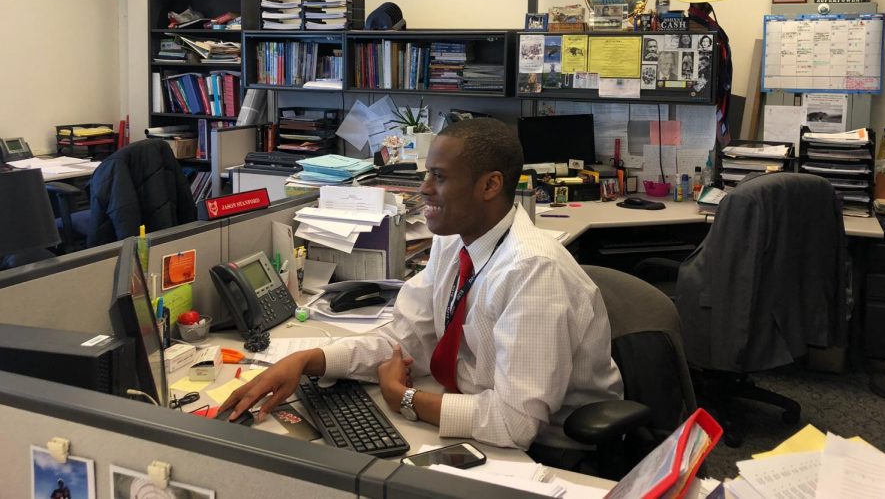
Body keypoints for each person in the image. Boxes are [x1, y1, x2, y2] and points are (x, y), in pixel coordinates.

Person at [222, 118, 623, 462]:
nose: (423, 189)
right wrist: (309, 360)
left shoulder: (531, 272)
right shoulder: (455, 241)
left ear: (490, 185)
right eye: (427, 173)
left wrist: (405, 399)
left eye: (440, 177)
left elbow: (514, 423)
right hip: (475, 413)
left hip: (549, 451)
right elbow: (404, 341)